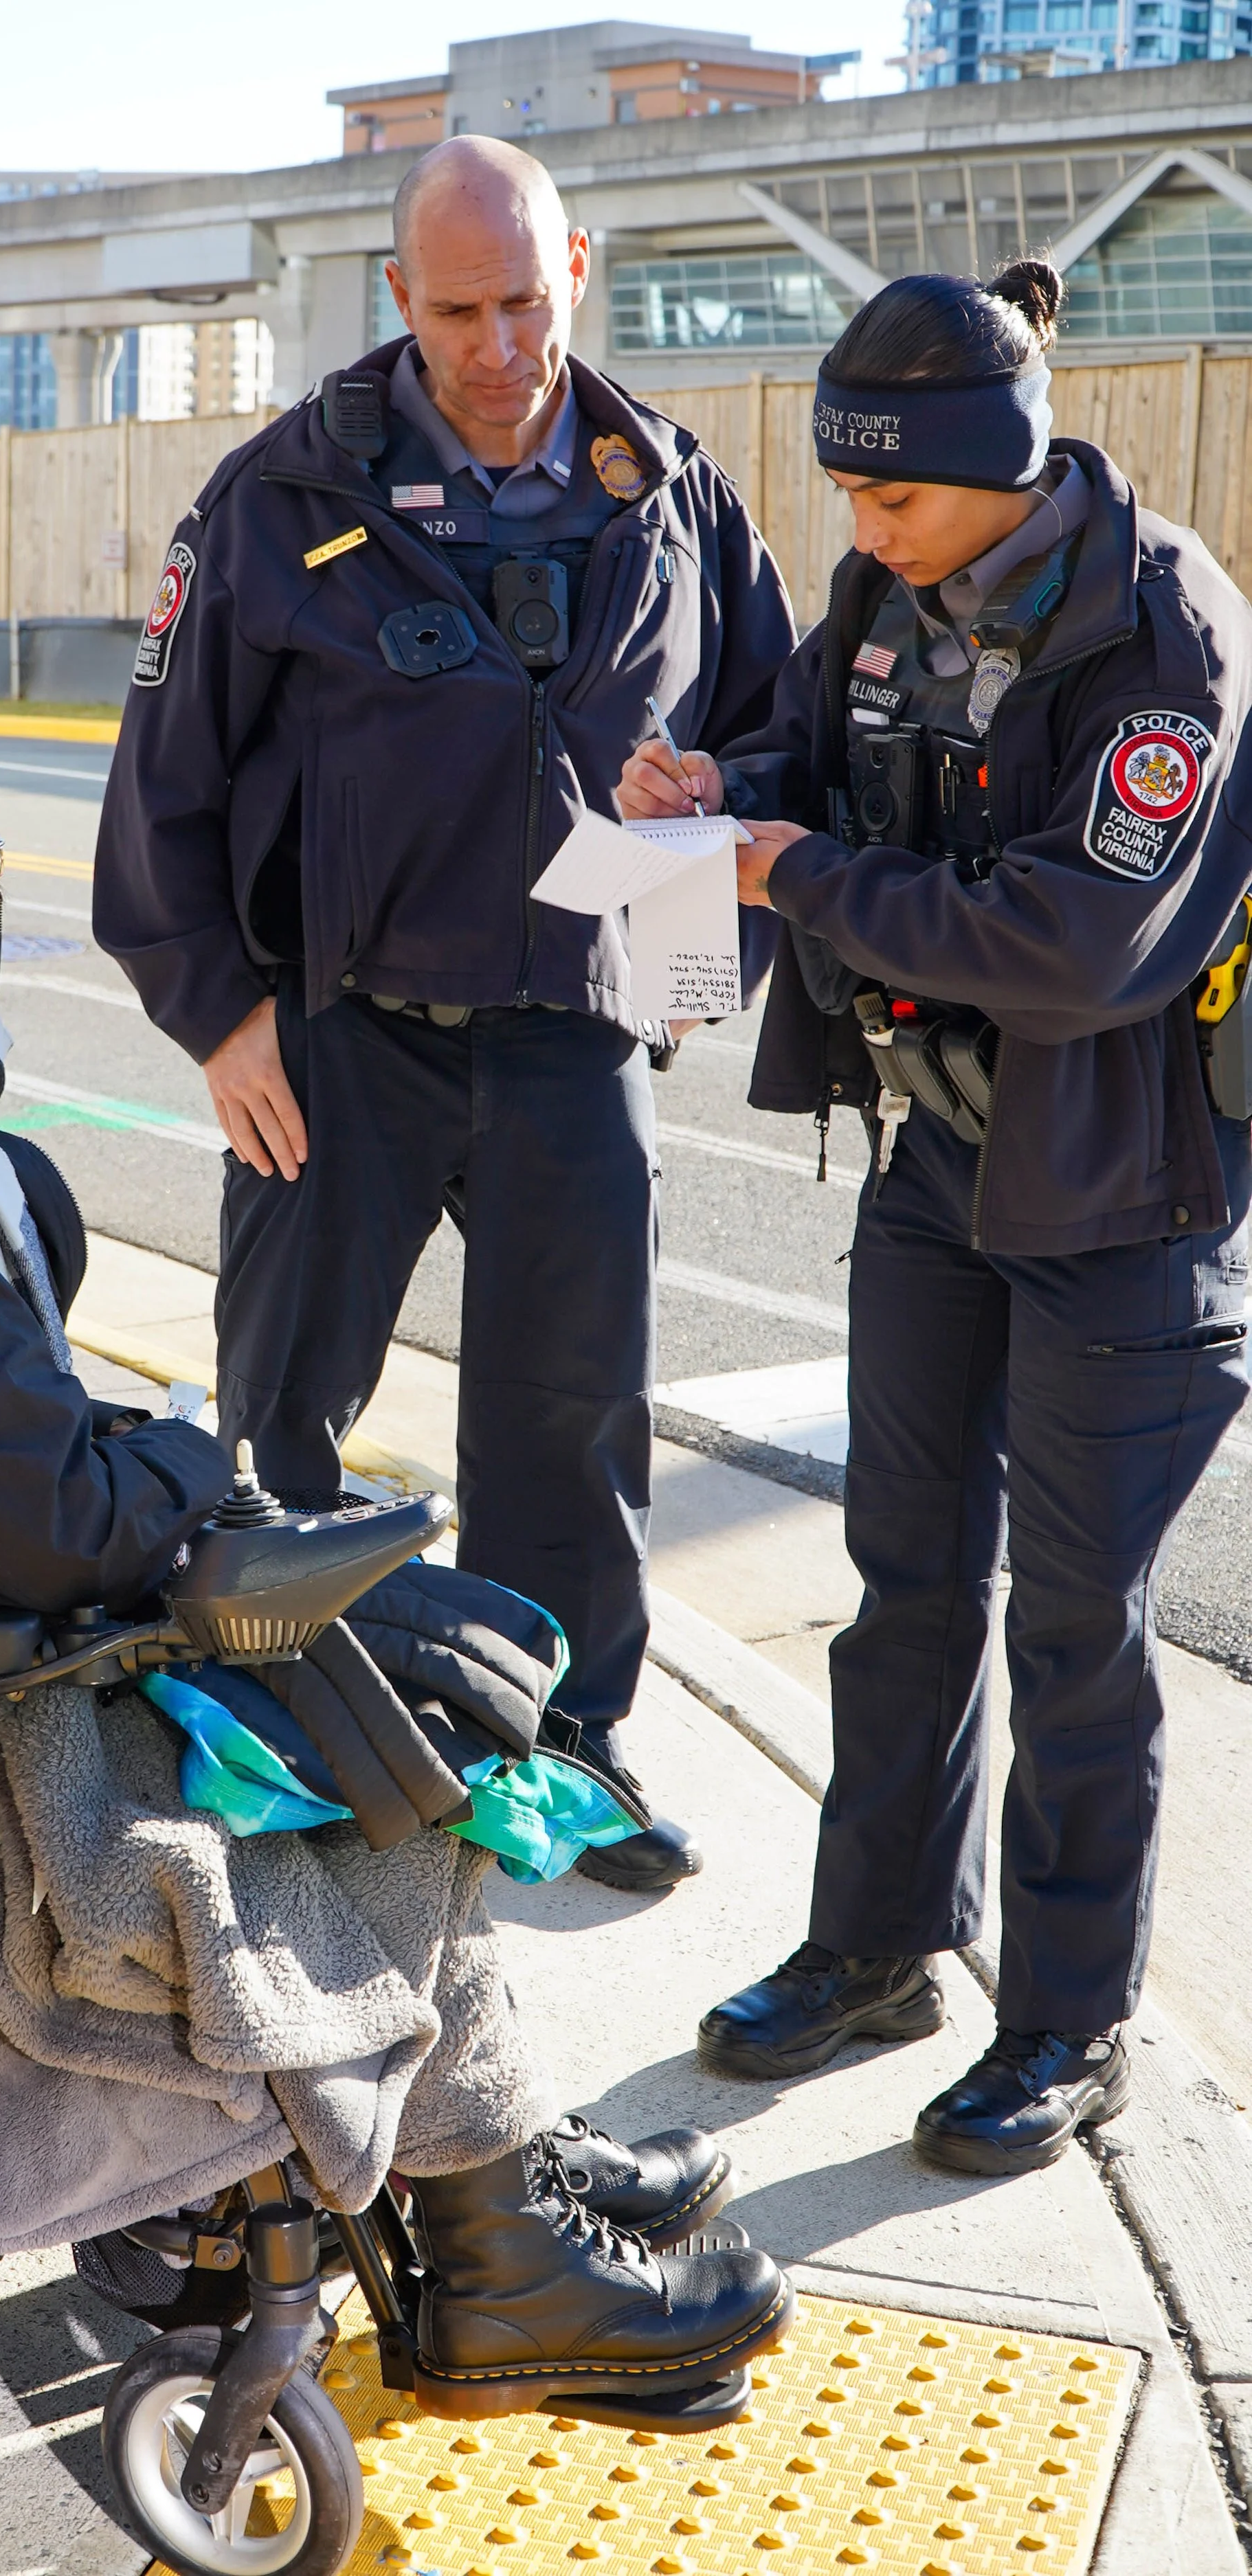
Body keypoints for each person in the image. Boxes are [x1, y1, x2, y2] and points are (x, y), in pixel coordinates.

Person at [0, 712, 792, 2416]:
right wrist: (198, 1454)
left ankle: (491, 2154)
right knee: (364, 1748)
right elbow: (52, 1523)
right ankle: (499, 2258)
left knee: (380, 1647)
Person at [95, 135, 796, 1895]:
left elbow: (779, 743)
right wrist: (219, 1018)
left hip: (576, 1026)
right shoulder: (278, 492)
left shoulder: (678, 496)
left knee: (575, 1420)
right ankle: (263, 1730)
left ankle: (561, 1747)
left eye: (524, 303)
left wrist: (710, 870)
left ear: (579, 272)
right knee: (281, 1414)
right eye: (458, 310)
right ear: (400, 295)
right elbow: (161, 782)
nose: (498, 347)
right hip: (339, 1032)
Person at [620, 262, 1252, 2177]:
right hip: (935, 1166)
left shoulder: (1163, 632)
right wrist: (715, 790)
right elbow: (812, 767)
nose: (861, 522)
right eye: (846, 490)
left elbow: (1077, 943)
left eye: (887, 491)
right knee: (900, 1578)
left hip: (1121, 1199)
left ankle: (1065, 2022)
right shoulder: (880, 594)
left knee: (1074, 1623)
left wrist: (790, 869)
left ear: (998, 465)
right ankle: (878, 1945)